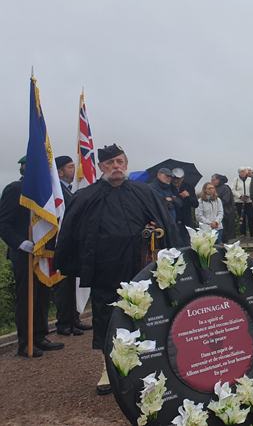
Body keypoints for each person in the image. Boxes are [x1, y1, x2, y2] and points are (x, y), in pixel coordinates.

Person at [54, 144, 179, 395]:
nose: (116, 167)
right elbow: (72, 233)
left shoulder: (145, 192)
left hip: (141, 268)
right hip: (105, 271)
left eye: (120, 162)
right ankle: (109, 369)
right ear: (101, 167)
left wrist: (158, 234)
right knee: (107, 319)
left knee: (146, 316)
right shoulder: (86, 196)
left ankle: (148, 367)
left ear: (126, 163)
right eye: (110, 164)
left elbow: (167, 225)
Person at [0, 156, 65, 357]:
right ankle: (25, 342)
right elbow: (4, 224)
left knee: (43, 297)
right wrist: (21, 243)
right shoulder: (14, 190)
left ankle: (40, 336)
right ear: (25, 168)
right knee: (27, 298)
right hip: (23, 254)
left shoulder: (46, 193)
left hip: (43, 251)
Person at [53, 155, 91, 336]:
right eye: (70, 167)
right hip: (61, 243)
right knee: (63, 287)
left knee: (72, 286)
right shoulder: (57, 191)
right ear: (59, 171)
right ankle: (63, 323)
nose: (74, 170)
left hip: (74, 244)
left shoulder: (68, 190)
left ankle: (73, 319)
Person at [171, 167, 198, 247]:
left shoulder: (189, 187)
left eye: (178, 178)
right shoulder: (168, 188)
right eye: (174, 178)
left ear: (183, 178)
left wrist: (188, 196)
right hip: (173, 223)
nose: (176, 180)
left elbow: (195, 204)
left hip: (186, 222)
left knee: (187, 246)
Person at [212, 174, 236, 243]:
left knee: (225, 233)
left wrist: (216, 203)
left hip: (225, 213)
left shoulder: (225, 188)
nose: (212, 182)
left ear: (218, 180)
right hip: (216, 213)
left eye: (213, 180)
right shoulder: (213, 189)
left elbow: (225, 200)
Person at [232, 166, 253, 238]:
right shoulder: (236, 180)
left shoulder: (250, 179)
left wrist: (248, 195)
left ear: (246, 172)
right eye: (241, 172)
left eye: (244, 172)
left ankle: (252, 232)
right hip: (240, 201)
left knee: (251, 217)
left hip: (249, 201)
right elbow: (233, 189)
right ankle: (243, 233)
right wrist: (240, 196)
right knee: (242, 217)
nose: (243, 173)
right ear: (239, 173)